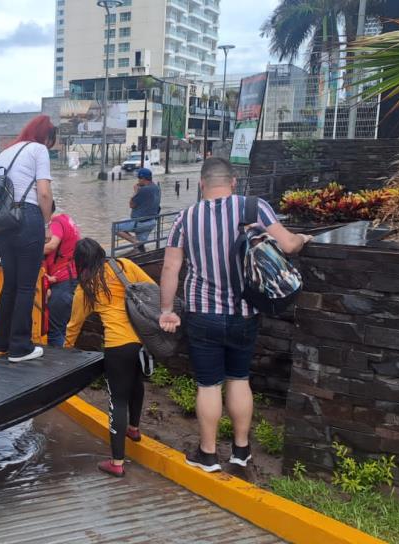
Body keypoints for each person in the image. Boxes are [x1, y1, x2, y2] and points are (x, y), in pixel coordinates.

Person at [158, 157, 312, 473]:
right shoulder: (253, 208)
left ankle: (208, 454)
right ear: (232, 182)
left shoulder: (186, 218)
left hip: (202, 313)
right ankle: (241, 451)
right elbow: (288, 245)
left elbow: (171, 267)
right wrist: (303, 239)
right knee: (239, 379)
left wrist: (166, 310)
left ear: (201, 185)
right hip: (244, 312)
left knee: (209, 385)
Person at [65, 238, 155, 477]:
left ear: (80, 262)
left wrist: (65, 350)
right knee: (137, 385)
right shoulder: (123, 265)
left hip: (117, 346)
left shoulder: (86, 286)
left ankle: (117, 462)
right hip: (141, 341)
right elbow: (151, 287)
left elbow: (75, 324)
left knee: (118, 399)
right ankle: (134, 430)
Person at [0, 115, 56, 362]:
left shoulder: (4, 154)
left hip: (1, 221)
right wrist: (47, 224)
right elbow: (44, 193)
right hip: (27, 217)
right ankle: (20, 347)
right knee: (27, 285)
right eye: (51, 140)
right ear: (46, 136)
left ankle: (2, 342)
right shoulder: (39, 150)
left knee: (10, 283)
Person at [43, 212, 80, 347]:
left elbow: (52, 245)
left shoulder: (56, 223)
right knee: (63, 328)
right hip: (71, 278)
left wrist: (26, 250)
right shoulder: (67, 219)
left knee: (56, 331)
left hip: (63, 281)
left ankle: (58, 362)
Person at [116, 168, 161, 252]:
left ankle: (135, 242)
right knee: (140, 248)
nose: (138, 180)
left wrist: (136, 192)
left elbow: (131, 205)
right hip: (151, 222)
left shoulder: (143, 190)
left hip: (140, 223)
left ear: (143, 179)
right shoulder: (156, 188)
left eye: (139, 178)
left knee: (116, 227)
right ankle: (139, 248)